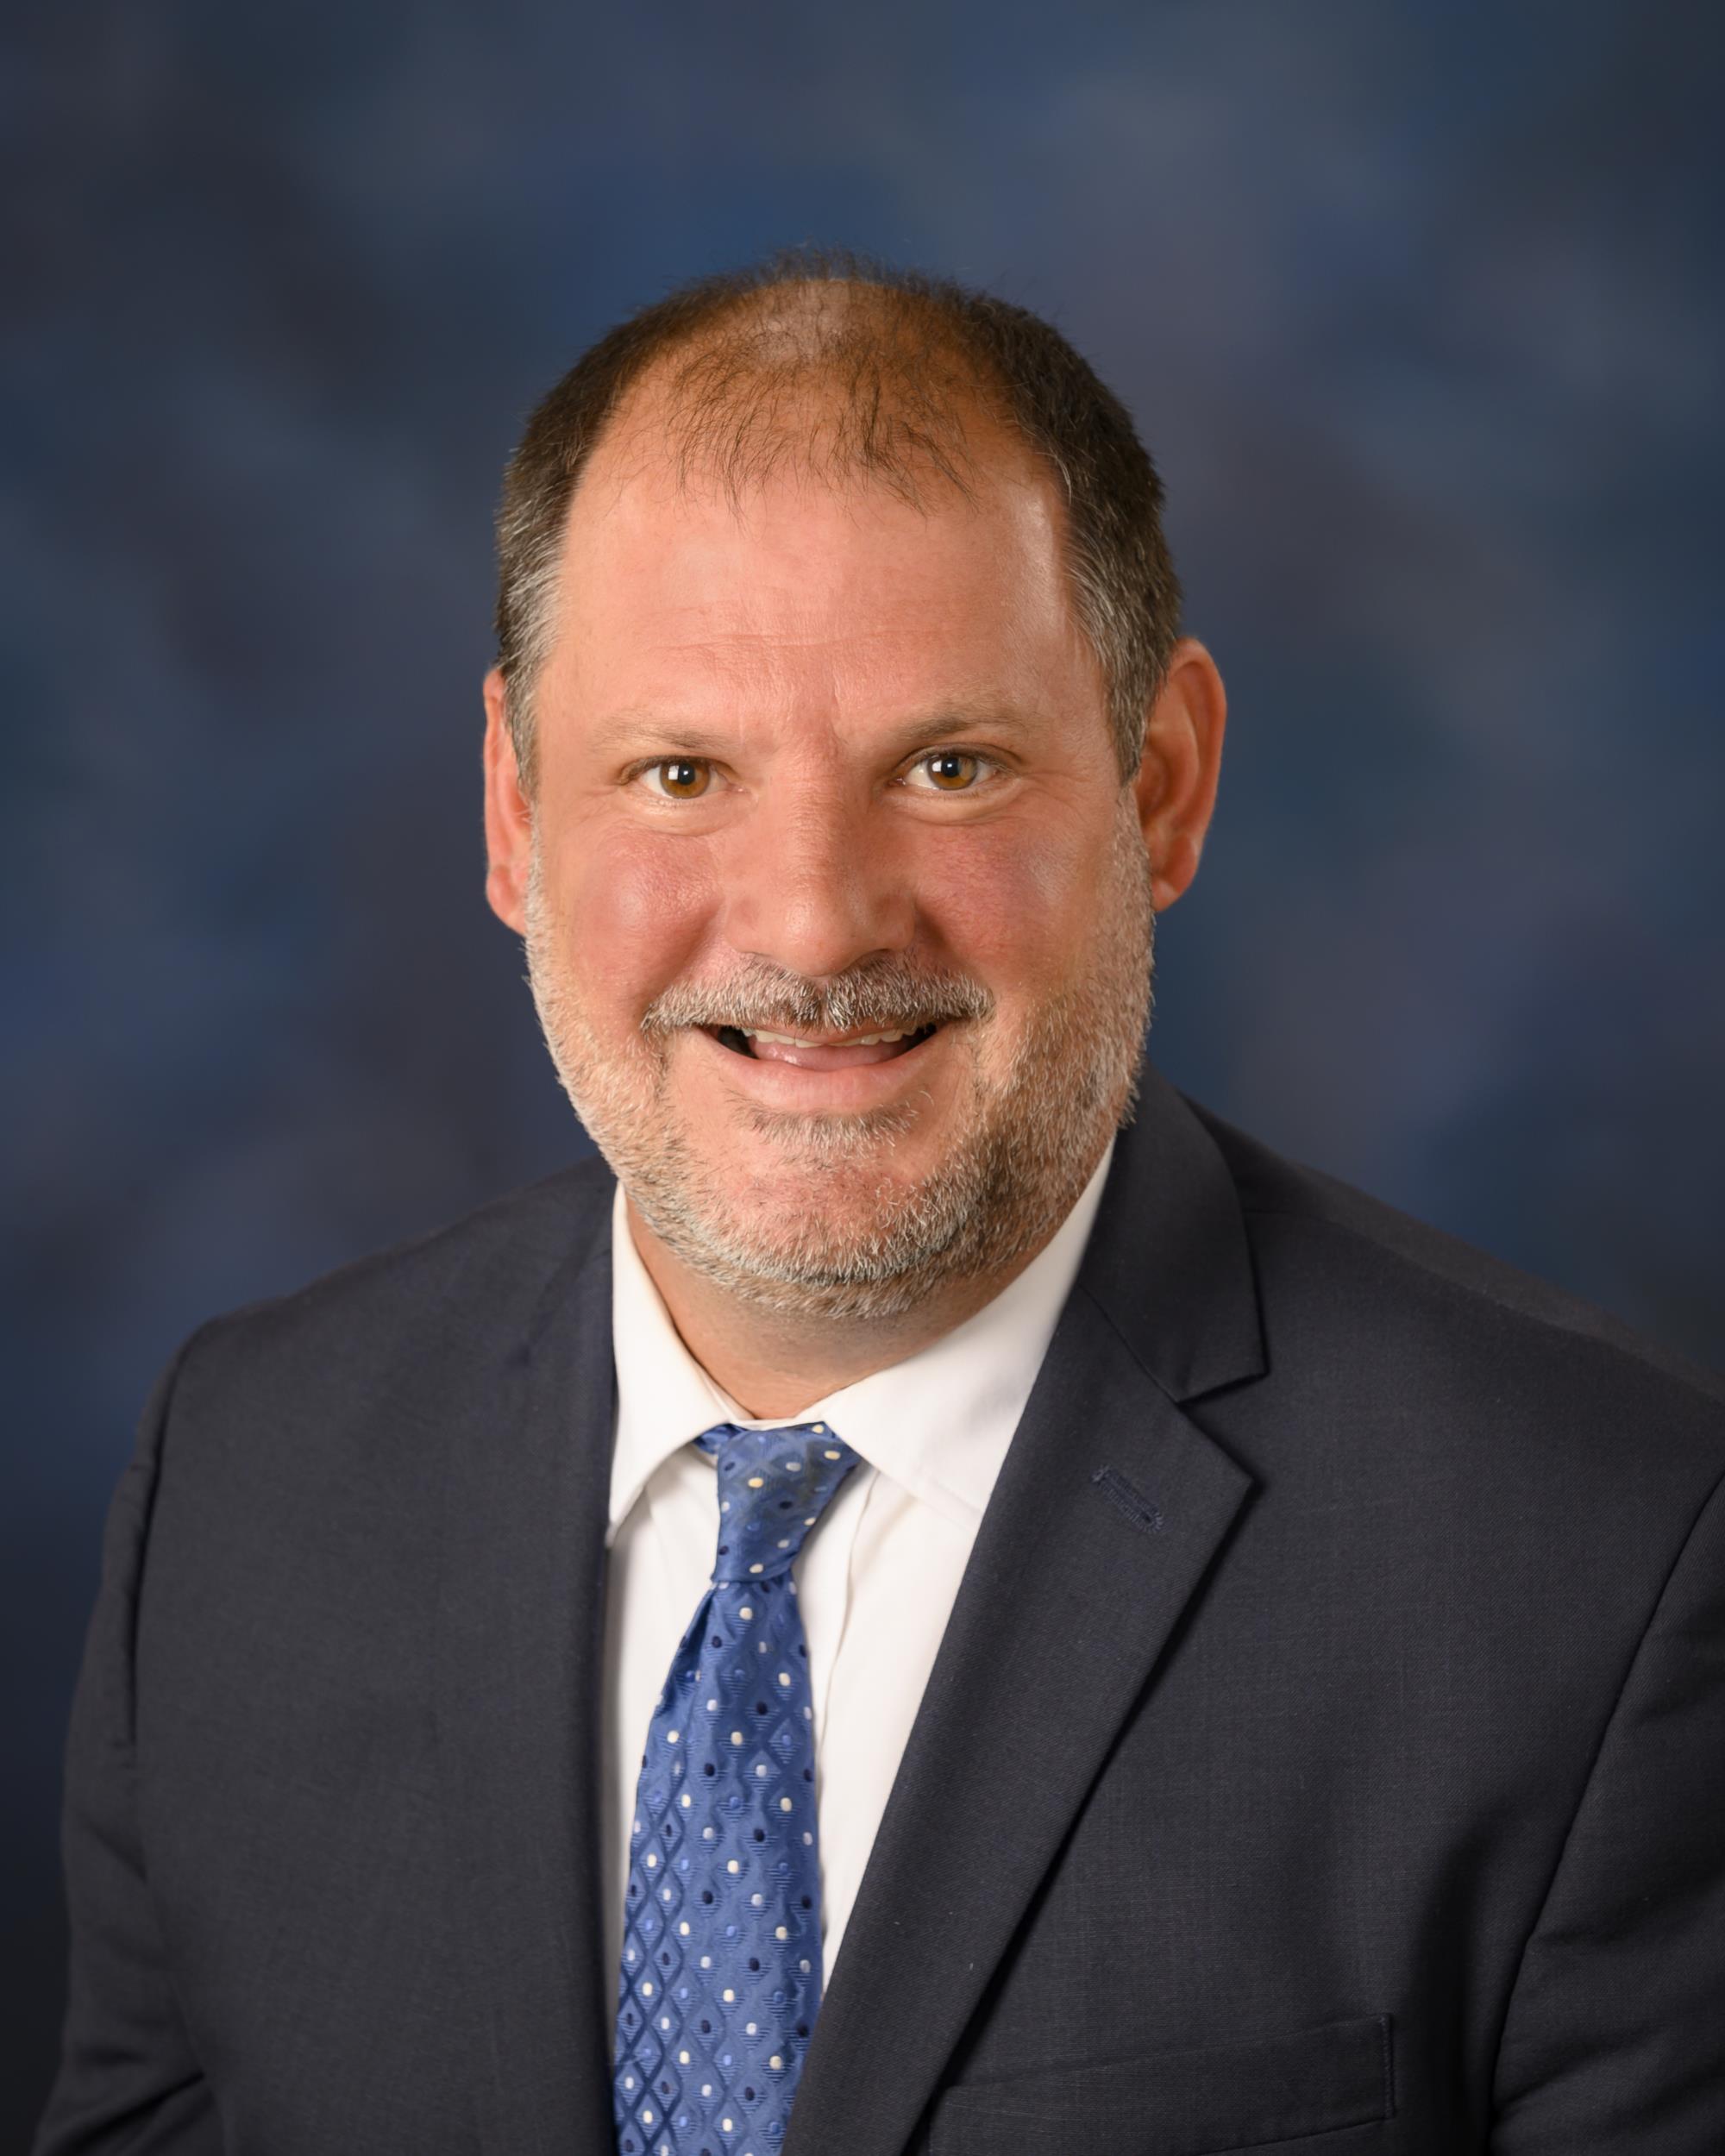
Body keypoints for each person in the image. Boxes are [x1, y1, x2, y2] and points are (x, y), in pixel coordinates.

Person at [35, 253, 1725, 2156]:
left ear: (1161, 784)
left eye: (947, 766)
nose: (816, 919)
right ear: (515, 817)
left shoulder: (1606, 1566)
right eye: (679, 773)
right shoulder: (244, 1482)